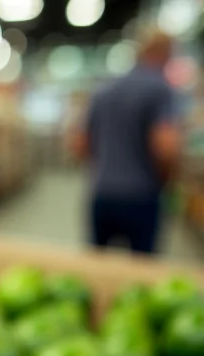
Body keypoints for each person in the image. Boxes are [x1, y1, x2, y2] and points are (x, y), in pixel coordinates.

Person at [73, 30, 182, 255]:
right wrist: (168, 180)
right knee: (140, 275)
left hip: (102, 192)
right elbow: (165, 147)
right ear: (165, 53)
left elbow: (80, 143)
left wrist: (105, 167)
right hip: (142, 196)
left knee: (97, 270)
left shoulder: (105, 89)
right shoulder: (160, 90)